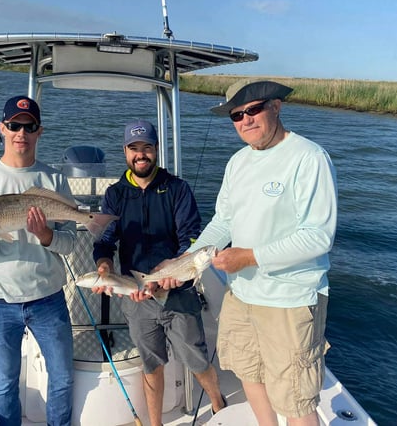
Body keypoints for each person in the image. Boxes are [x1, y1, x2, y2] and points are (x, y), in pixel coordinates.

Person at [186, 79, 338, 426]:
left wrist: (248, 257)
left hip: (290, 301)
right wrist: (187, 258)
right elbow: (222, 222)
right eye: (236, 115)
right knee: (247, 373)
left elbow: (318, 236)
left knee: (296, 399)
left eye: (253, 109)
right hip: (241, 293)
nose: (246, 120)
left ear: (276, 107)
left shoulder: (309, 157)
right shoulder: (237, 162)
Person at [92, 120, 226, 426]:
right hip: (138, 295)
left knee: (197, 358)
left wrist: (175, 269)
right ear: (125, 152)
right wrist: (104, 265)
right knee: (150, 364)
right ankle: (155, 424)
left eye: (147, 148)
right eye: (134, 149)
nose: (141, 155)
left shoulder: (177, 189)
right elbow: (105, 240)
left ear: (156, 151)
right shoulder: (115, 194)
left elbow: (192, 237)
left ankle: (218, 403)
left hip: (178, 291)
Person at [0, 95, 75, 426]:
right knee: (6, 385)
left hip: (48, 298)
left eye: (29, 126)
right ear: (1, 129)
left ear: (39, 132)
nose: (20, 132)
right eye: (13, 125)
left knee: (63, 379)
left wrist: (47, 236)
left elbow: (69, 246)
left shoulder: (54, 181)